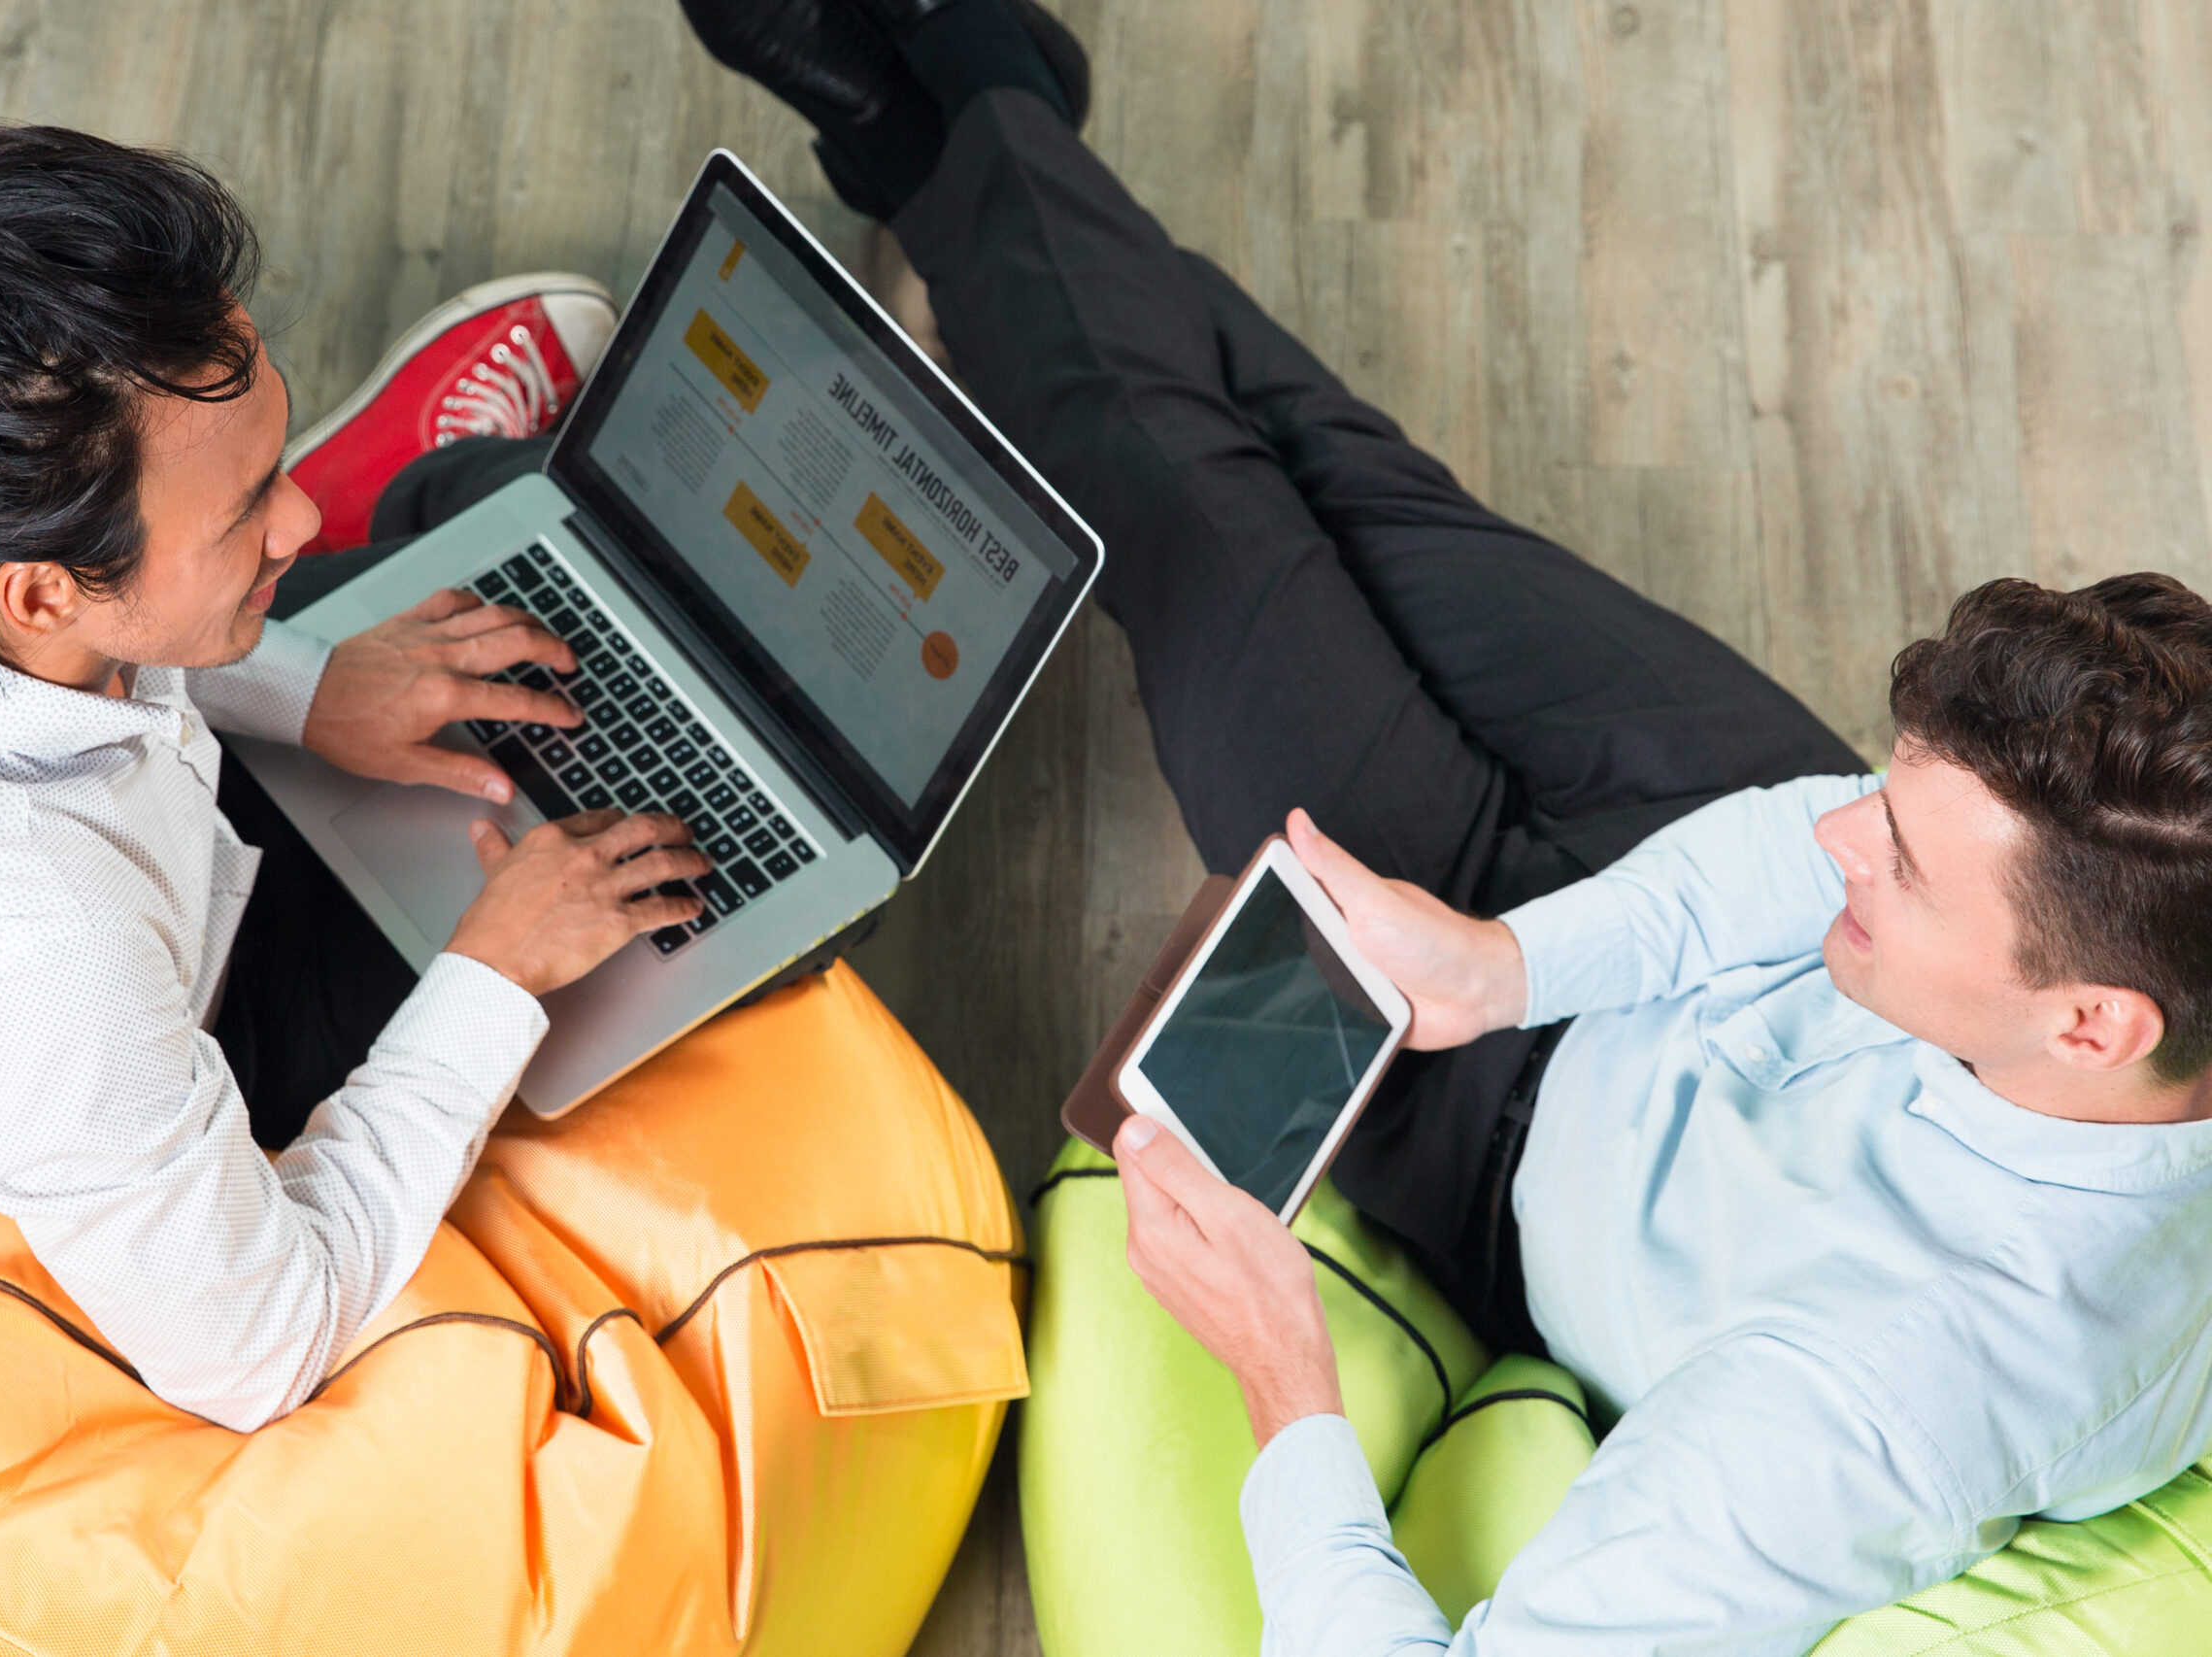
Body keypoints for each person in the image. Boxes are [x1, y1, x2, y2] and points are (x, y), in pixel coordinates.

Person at [686, 3, 2212, 1652]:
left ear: (2089, 1021)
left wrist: (1286, 1378)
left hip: (1507, 1123)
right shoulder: (2092, 927)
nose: (1851, 835)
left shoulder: (1856, 1417)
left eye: (1905, 859)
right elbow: (1798, 841)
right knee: (1330, 459)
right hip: (1625, 894)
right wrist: (1506, 955)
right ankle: (963, 132)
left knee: (1194, 521)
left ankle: (956, 118)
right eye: (1893, 799)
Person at [0, 126, 715, 1432]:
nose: (296, 529)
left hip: (146, 796)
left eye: (279, 463)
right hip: (180, 997)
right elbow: (262, 1342)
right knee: (681, 868)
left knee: (522, 527)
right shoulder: (43, 977)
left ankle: (374, 478)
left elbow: (94, 644)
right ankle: (394, 474)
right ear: (43, 587)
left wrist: (307, 683)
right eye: (251, 508)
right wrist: (497, 973)